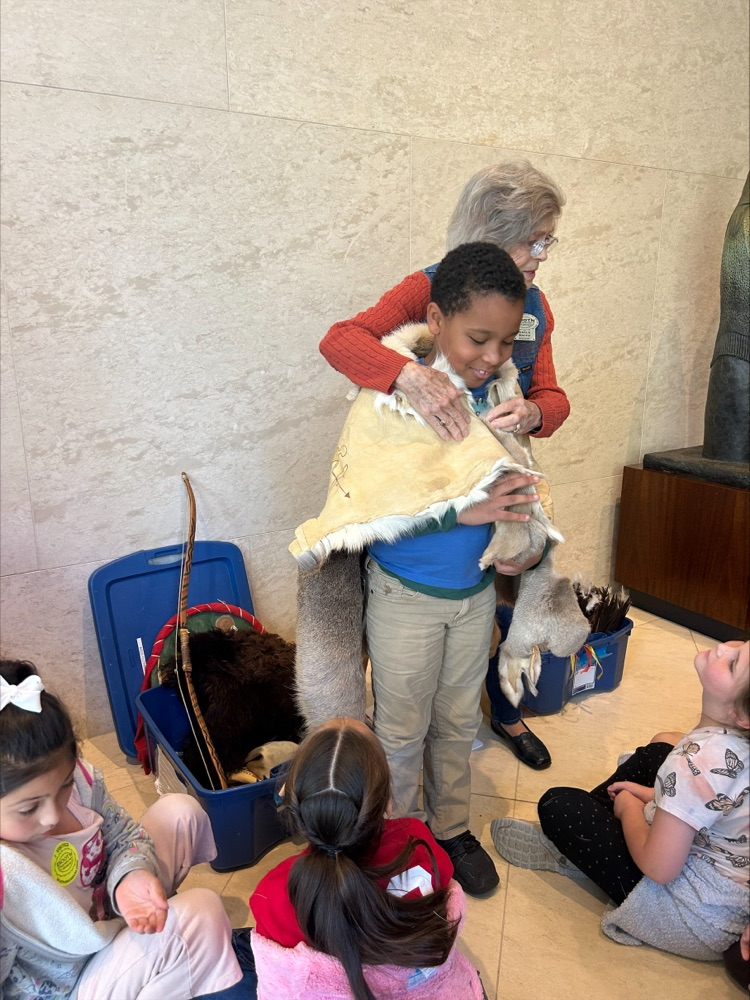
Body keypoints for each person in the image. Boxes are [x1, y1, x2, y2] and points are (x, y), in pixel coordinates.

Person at [320, 160, 570, 771]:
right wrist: (407, 374)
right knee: (407, 697)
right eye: (532, 238)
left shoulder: (536, 307)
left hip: (498, 490)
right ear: (489, 230)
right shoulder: (429, 287)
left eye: (548, 240)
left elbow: (554, 397)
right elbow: (340, 341)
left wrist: (534, 415)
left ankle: (501, 714)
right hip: (426, 501)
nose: (542, 254)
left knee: (497, 596)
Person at [351, 240, 548, 896]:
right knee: (402, 725)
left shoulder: (501, 394)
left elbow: (517, 491)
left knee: (460, 718)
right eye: (478, 339)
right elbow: (368, 502)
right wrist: (460, 516)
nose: (492, 357)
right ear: (435, 320)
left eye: (505, 342)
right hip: (405, 594)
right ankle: (400, 830)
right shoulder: (392, 397)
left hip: (474, 594)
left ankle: (452, 824)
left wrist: (522, 539)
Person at [0, 659, 256, 1000]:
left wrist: (130, 876)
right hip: (72, 983)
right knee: (201, 913)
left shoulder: (80, 782)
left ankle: (164, 954)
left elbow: (123, 835)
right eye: (28, 808)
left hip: (107, 916)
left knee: (181, 812)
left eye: (62, 786)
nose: (51, 816)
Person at [491, 640, 750, 962]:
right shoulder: (730, 745)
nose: (725, 648)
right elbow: (716, 802)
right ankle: (588, 843)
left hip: (692, 913)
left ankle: (570, 853)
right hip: (718, 880)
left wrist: (630, 808)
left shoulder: (697, 764)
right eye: (741, 646)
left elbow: (659, 868)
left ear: (740, 714)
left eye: (733, 664)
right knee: (660, 747)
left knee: (560, 805)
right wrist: (656, 798)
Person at [249, 718, 486, 1000]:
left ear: (289, 799)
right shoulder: (416, 840)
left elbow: (280, 986)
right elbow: (445, 887)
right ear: (386, 801)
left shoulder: (272, 894)